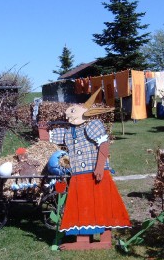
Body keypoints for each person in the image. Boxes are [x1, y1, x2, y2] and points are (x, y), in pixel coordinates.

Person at [43, 88, 131, 250]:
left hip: (95, 174)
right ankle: (83, 240)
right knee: (82, 205)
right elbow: (46, 136)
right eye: (68, 113)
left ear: (85, 110)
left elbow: (103, 145)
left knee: (101, 204)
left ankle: (104, 240)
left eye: (73, 110)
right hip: (79, 176)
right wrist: (41, 126)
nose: (68, 115)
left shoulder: (93, 125)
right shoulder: (68, 131)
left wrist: (99, 167)